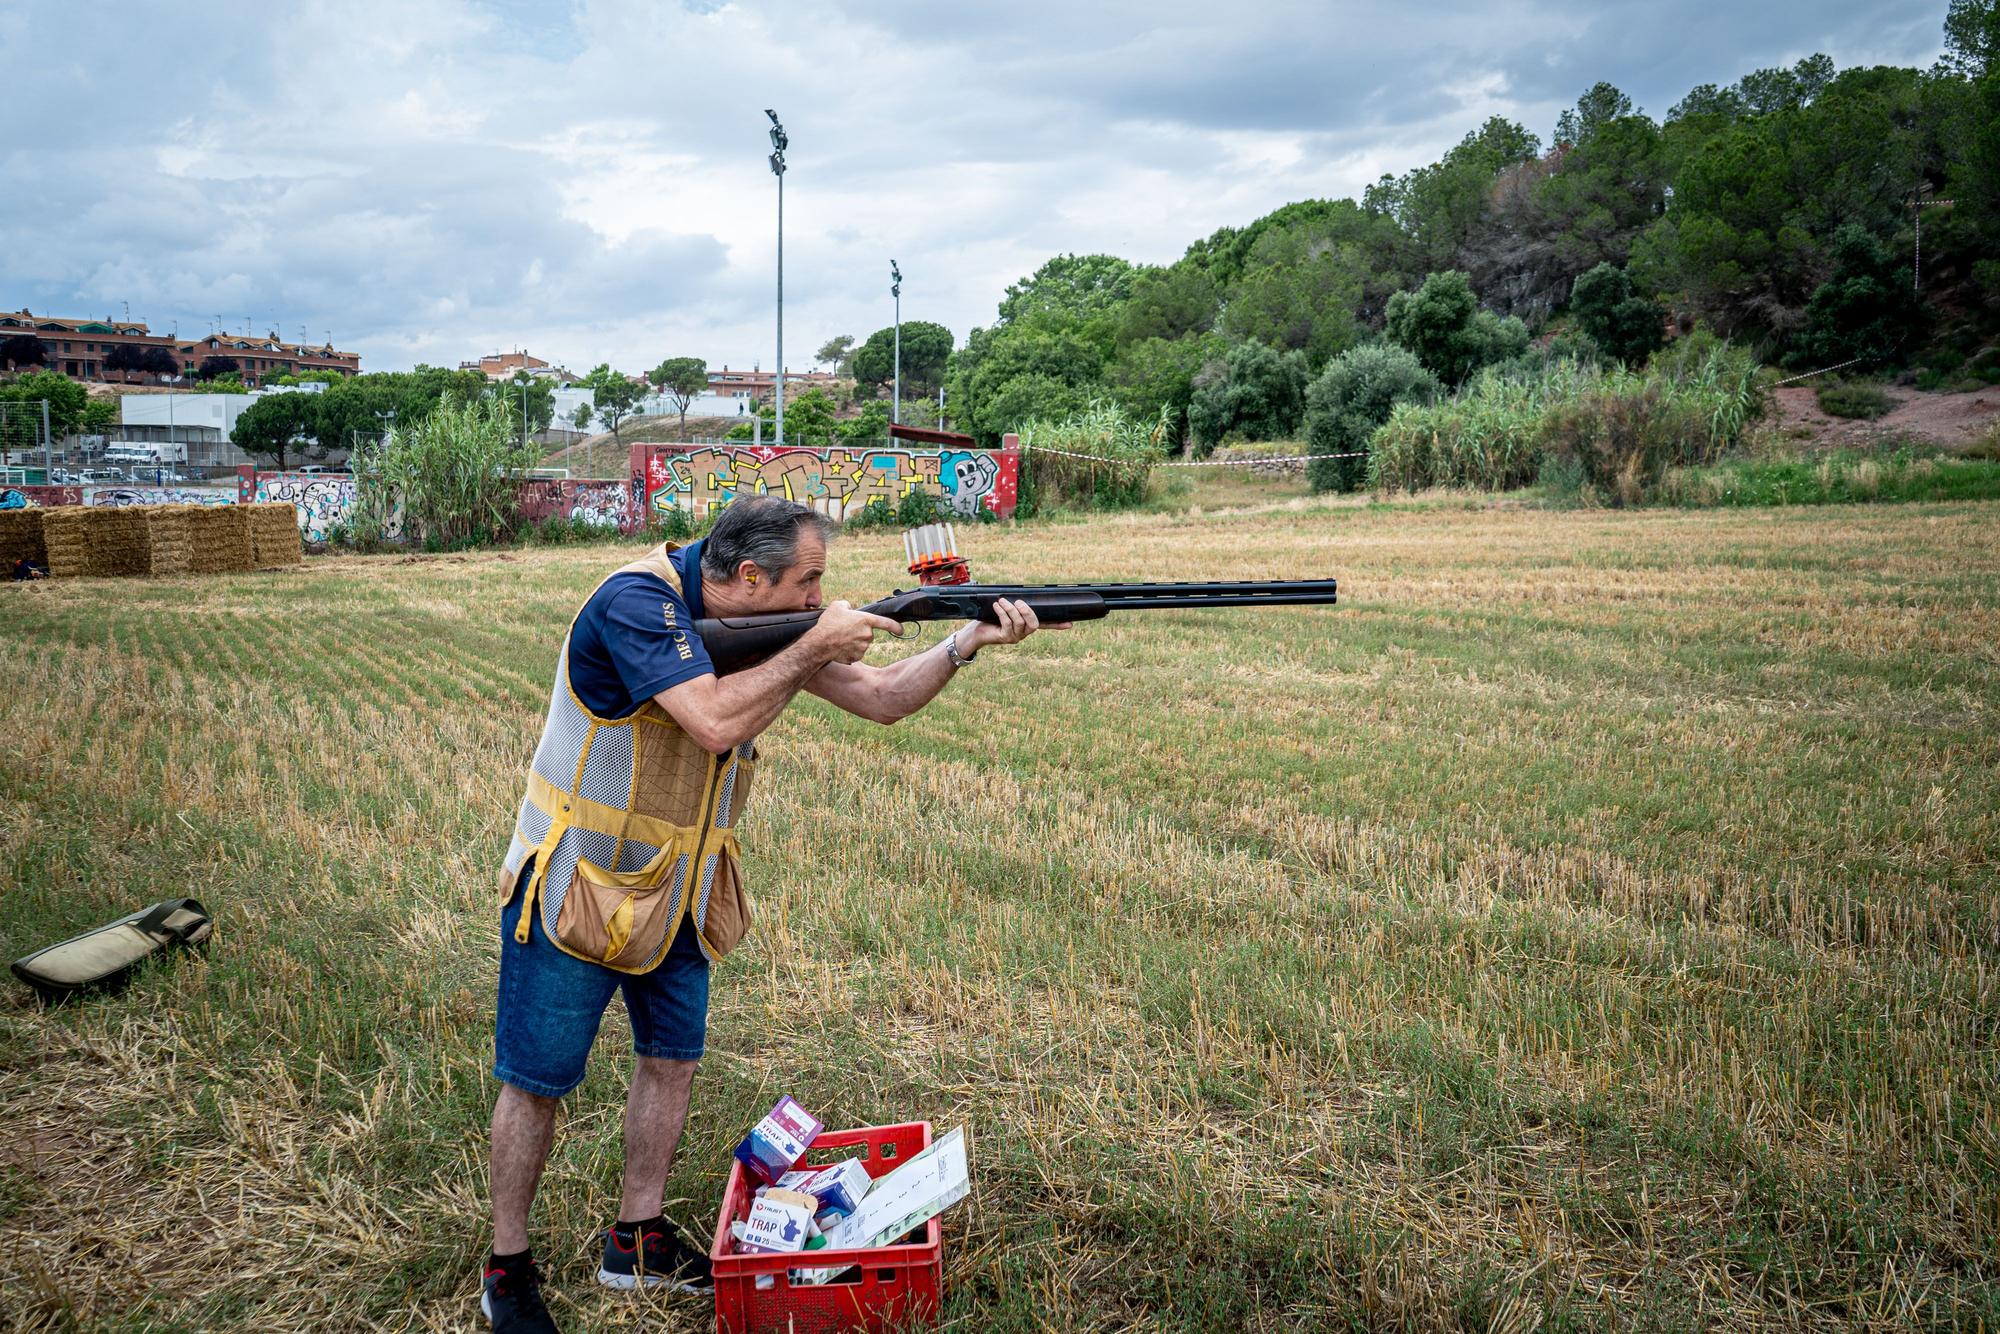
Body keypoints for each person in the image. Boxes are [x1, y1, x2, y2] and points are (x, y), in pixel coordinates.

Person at [482, 496, 1060, 1332]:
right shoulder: (634, 605)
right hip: (579, 884)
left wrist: (965, 640)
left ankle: (635, 1240)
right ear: (749, 577)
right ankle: (508, 1267)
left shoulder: (767, 618)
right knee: (537, 1082)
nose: (819, 596)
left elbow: (883, 697)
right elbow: (715, 721)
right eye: (809, 580)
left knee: (670, 1060)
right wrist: (811, 645)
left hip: (678, 887)